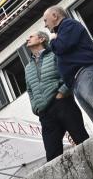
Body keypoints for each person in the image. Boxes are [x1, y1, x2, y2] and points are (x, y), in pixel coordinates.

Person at [43, 6, 93, 133]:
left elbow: (62, 47)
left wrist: (52, 41)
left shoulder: (68, 25)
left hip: (86, 74)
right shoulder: (63, 31)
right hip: (78, 81)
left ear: (55, 16)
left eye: (46, 20)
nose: (45, 25)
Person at [23, 30, 77, 160]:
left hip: (63, 103)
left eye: (31, 36)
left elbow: (68, 72)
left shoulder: (54, 55)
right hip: (45, 113)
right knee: (52, 155)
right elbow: (29, 89)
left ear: (41, 39)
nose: (27, 39)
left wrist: (62, 92)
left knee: (80, 137)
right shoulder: (28, 67)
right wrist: (35, 107)